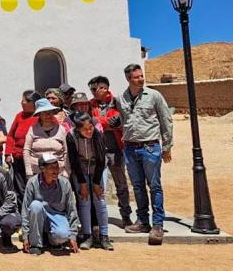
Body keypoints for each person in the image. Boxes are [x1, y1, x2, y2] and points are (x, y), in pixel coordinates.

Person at [113, 64, 173, 245]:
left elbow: (166, 120)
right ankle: (142, 221)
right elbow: (122, 121)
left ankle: (158, 224)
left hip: (150, 147)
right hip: (130, 148)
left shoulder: (154, 95)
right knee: (138, 187)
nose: (141, 79)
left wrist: (167, 146)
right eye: (136, 77)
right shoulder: (121, 98)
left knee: (154, 186)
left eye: (141, 76)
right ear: (128, 79)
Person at [89, 75, 133, 226]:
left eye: (95, 89)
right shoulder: (90, 105)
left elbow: (123, 120)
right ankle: (97, 217)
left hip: (115, 149)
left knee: (121, 184)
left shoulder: (117, 102)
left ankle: (126, 215)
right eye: (92, 89)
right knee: (96, 183)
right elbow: (92, 122)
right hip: (97, 150)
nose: (93, 92)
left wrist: (100, 122)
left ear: (105, 88)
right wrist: (105, 122)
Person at [66, 112, 112, 250]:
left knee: (100, 200)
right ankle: (87, 235)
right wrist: (83, 184)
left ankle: (104, 236)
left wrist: (96, 183)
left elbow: (101, 159)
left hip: (97, 168)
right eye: (85, 129)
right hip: (80, 169)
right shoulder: (71, 136)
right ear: (78, 128)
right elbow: (74, 161)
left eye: (91, 127)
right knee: (84, 200)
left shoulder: (98, 134)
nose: (89, 131)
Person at [21, 152, 80, 255]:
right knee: (35, 205)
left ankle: (51, 241)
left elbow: (71, 210)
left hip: (57, 216)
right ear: (42, 169)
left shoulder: (65, 183)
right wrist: (25, 236)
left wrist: (73, 235)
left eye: (57, 167)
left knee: (63, 235)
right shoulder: (32, 183)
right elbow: (25, 210)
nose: (56, 170)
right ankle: (36, 244)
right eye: (51, 167)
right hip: (39, 215)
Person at [5, 90, 38, 206]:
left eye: (25, 100)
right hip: (18, 158)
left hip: (35, 159)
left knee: (34, 186)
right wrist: (8, 153)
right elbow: (10, 136)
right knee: (20, 188)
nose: (22, 102)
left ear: (33, 102)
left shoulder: (41, 116)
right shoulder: (19, 116)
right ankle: (22, 214)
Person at [23, 98, 68, 177]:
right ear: (39, 115)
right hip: (37, 172)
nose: (48, 115)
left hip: (58, 172)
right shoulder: (32, 129)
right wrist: (28, 170)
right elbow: (26, 150)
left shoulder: (61, 129)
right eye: (44, 113)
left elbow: (66, 151)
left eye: (50, 112)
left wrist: (67, 170)